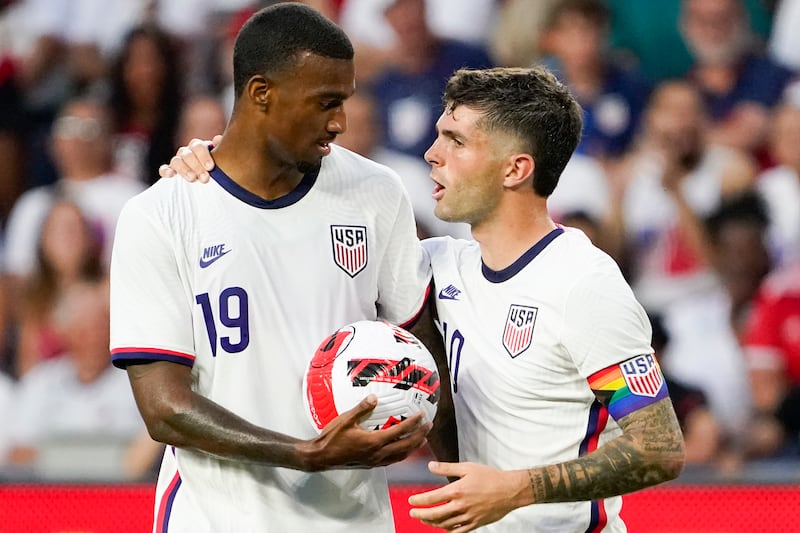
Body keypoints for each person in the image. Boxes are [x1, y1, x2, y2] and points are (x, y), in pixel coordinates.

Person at [167, 66, 686, 532]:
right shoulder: (436, 266)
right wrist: (217, 159)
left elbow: (658, 449)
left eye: (455, 141)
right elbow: (301, 227)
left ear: (515, 170)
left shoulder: (582, 282)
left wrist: (516, 489)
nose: (431, 155)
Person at [110, 5, 438, 532]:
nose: (340, 123)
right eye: (326, 103)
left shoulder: (376, 193)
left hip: (353, 518)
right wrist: (304, 453)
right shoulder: (160, 215)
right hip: (216, 518)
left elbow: (419, 347)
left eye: (345, 101)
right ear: (262, 93)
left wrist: (457, 473)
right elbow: (164, 408)